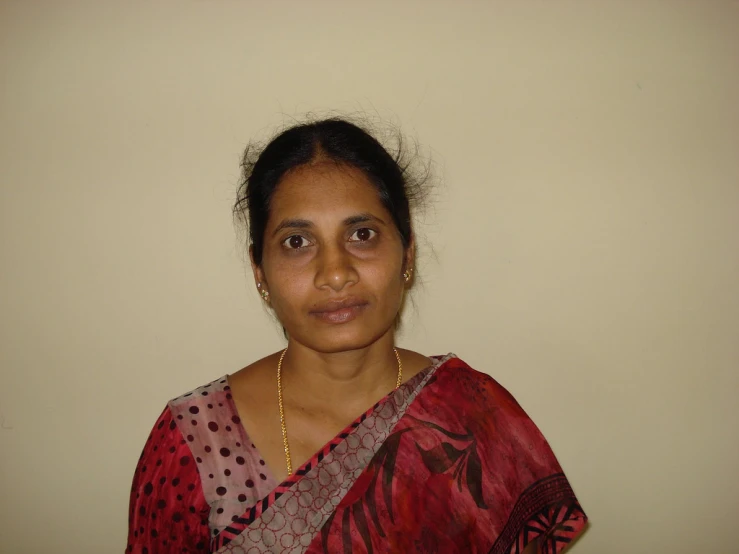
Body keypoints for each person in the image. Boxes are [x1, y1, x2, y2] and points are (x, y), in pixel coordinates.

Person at [126, 118, 587, 553]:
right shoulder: (196, 441)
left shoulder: (475, 417)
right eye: (296, 243)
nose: (335, 273)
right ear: (259, 272)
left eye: (362, 234)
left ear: (408, 254)